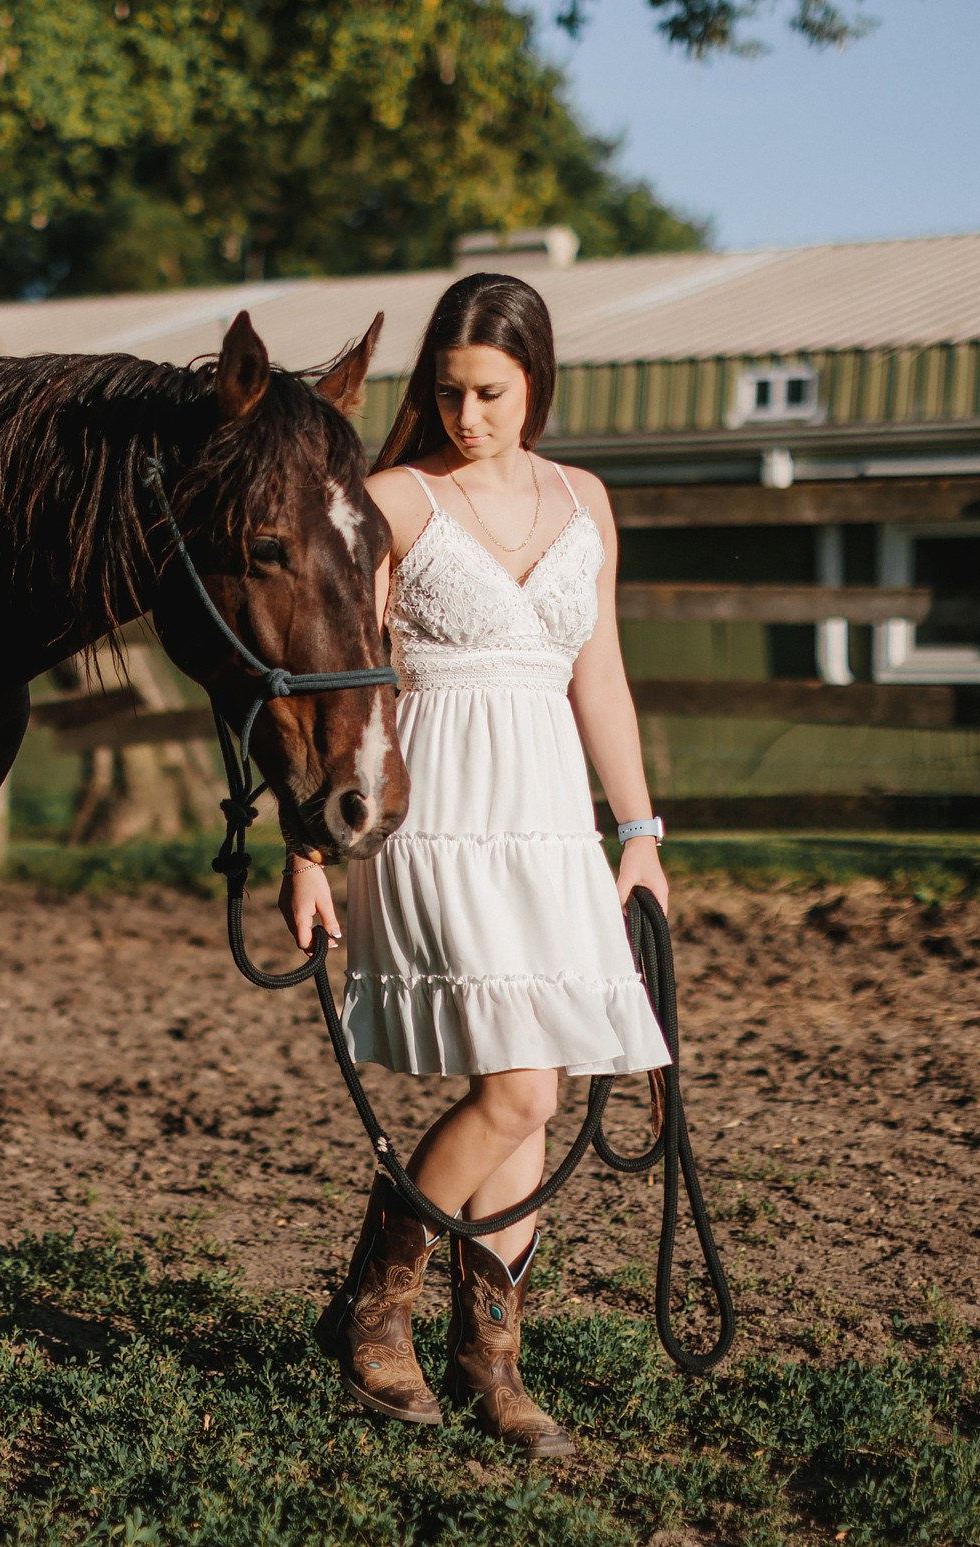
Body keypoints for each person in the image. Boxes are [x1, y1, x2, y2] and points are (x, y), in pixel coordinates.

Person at [280, 273, 672, 1457]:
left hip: (549, 815)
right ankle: (369, 1309)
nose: (467, 417)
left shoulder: (583, 498)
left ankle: (489, 1361)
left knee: (530, 1107)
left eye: (490, 393)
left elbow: (596, 677)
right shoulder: (392, 501)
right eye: (447, 392)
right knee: (523, 1090)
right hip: (437, 808)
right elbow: (327, 674)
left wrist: (639, 831)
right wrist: (306, 846)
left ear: (535, 382)